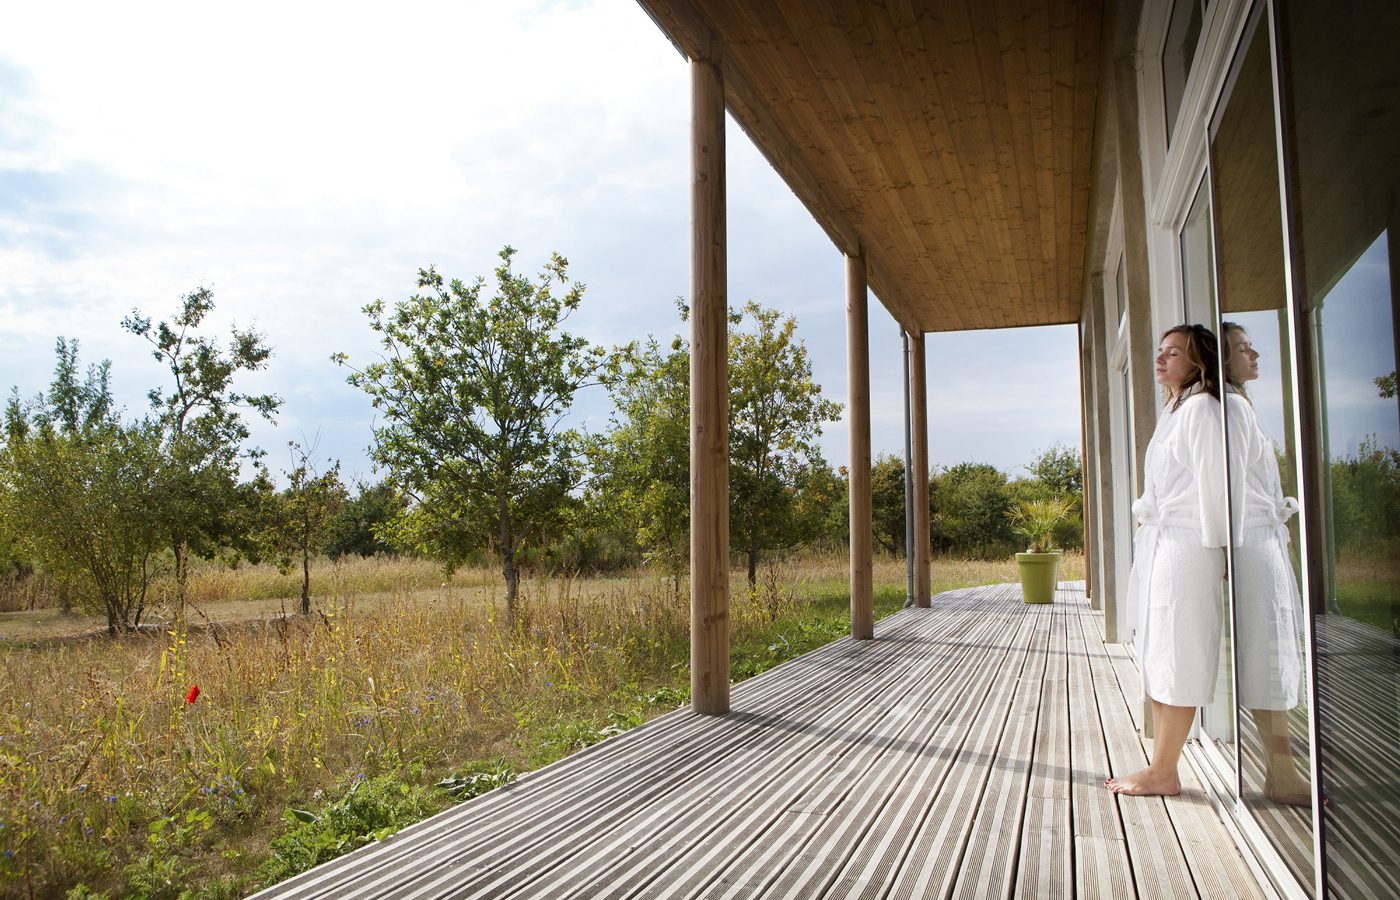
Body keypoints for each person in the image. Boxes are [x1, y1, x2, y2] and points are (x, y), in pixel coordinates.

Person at [1107, 324, 1227, 796]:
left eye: (1173, 353)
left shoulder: (1201, 410)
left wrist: (1220, 552)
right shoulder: (1176, 409)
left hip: (1187, 547)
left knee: (1179, 654)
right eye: (1159, 352)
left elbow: (1215, 489)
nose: (1160, 360)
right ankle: (1162, 766)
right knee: (1158, 652)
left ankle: (1164, 771)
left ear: (1198, 362)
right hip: (1162, 546)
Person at [1222, 322, 1310, 805]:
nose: (1254, 355)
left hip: (1259, 543)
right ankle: (1282, 773)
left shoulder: (1239, 406)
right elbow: (1228, 489)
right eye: (1241, 349)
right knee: (1271, 659)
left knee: (1271, 658)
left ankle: (1282, 770)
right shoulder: (1232, 409)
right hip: (1252, 546)